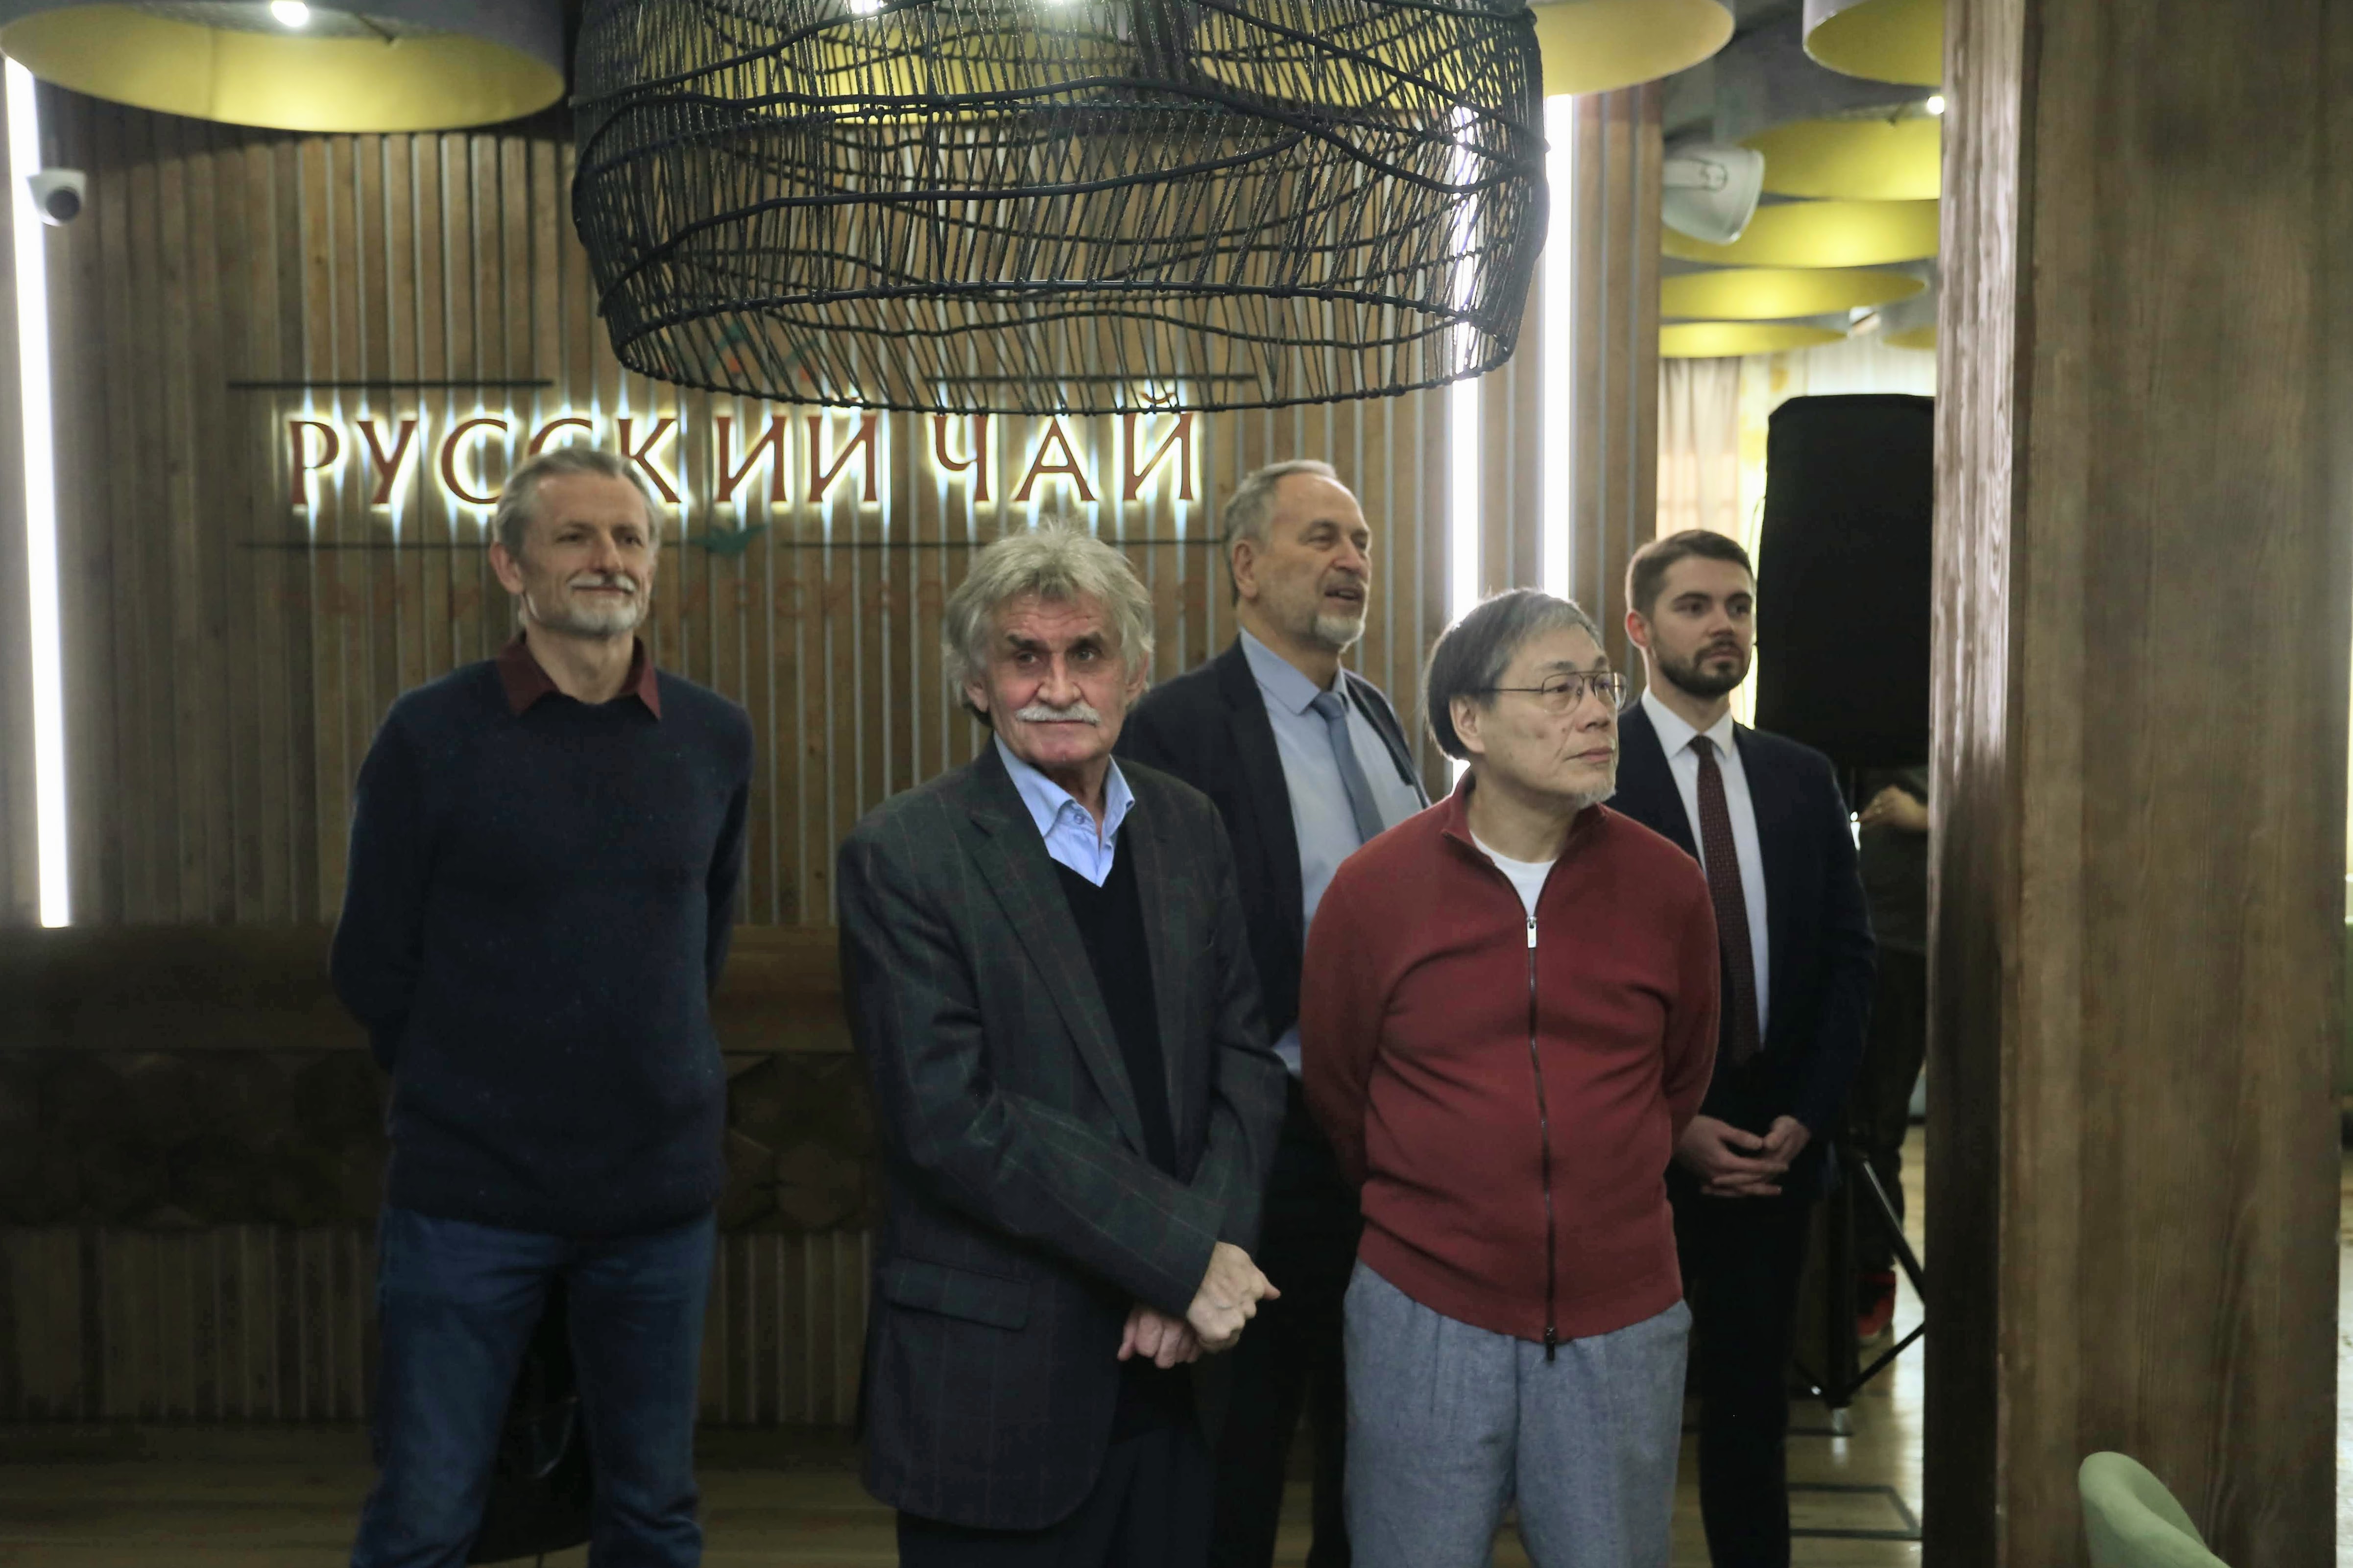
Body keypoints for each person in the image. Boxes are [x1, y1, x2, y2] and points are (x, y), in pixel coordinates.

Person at [837, 521, 1290, 1568]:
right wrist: (1179, 1258)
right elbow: (949, 1120)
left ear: (1134, 671)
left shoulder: (1188, 827)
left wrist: (1199, 1269)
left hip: (1180, 1381)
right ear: (975, 681)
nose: (1056, 685)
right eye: (1022, 656)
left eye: (1085, 651)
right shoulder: (904, 853)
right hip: (999, 1387)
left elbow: (1245, 1064)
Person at [332, 447, 753, 1568]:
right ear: (510, 565)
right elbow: (372, 960)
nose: (609, 556)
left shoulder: (714, 737)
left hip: (656, 1198)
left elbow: (696, 947)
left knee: (652, 1512)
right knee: (428, 1515)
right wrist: (473, 1083)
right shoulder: (430, 734)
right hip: (468, 1198)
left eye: (630, 537)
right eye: (575, 535)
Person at [1302, 589, 1720, 1568]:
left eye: (1601, 686)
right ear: (1469, 721)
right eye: (1558, 688)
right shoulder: (1372, 891)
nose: (1595, 711)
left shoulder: (1666, 886)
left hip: (1620, 1314)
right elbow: (1339, 1087)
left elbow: (1679, 1079)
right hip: (1423, 1308)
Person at [1118, 458, 1426, 1568]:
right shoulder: (1175, 727)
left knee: (1373, 1439)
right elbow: (1157, 958)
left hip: (1390, 1144)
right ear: (1245, 567)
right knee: (1237, 1450)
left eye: (1361, 542)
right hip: (1258, 1142)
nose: (1351, 560)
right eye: (1320, 538)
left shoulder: (1379, 714)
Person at [1609, 529, 1876, 1568]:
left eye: (1737, 604)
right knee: (1619, 1423)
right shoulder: (1591, 772)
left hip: (1773, 1153)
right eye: (1693, 606)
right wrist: (1671, 1124)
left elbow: (1848, 964)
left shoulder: (1802, 777)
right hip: (1634, 1160)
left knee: (1751, 1414)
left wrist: (1803, 1116)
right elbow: (1573, 990)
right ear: (1638, 628)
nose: (1722, 624)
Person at [1850, 766, 1928, 1339]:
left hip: (1909, 948)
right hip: (1857, 935)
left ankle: (1871, 1278)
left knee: (1878, 1133)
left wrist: (1931, 816)